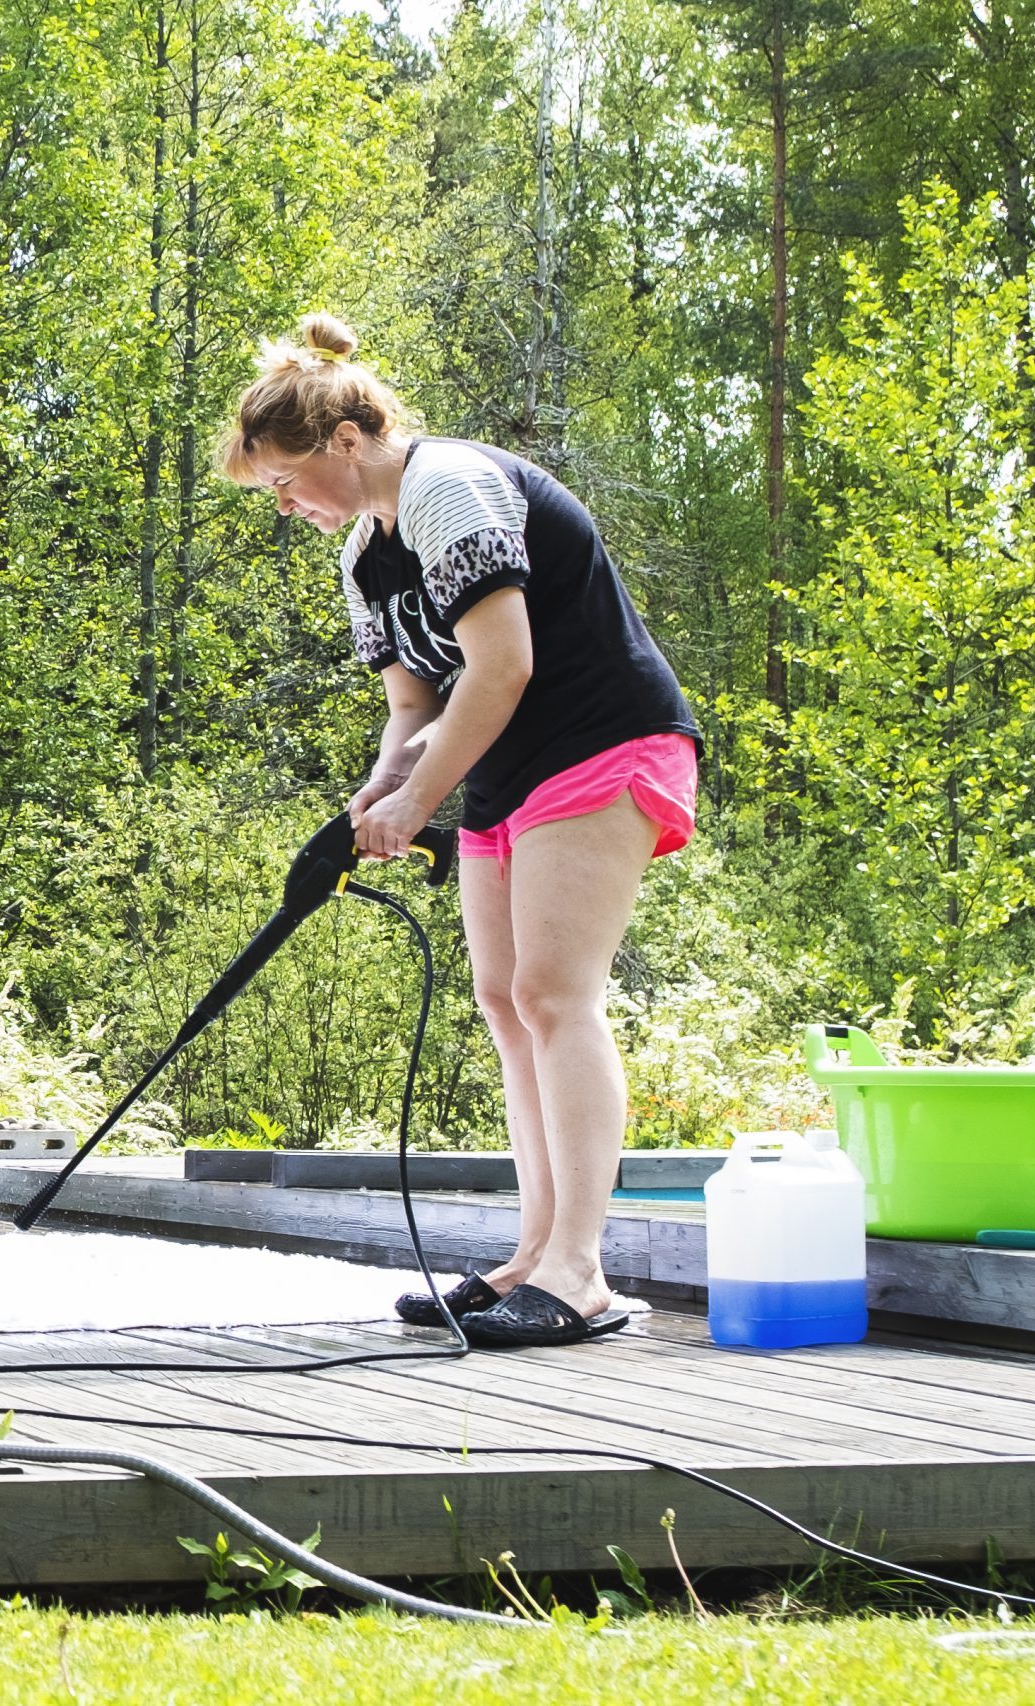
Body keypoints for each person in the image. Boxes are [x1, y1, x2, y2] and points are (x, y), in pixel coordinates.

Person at [219, 313, 701, 1349]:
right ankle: (534, 1253)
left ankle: (580, 1271)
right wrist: (381, 787)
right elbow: (413, 702)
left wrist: (416, 801)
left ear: (348, 439)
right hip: (505, 765)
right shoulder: (365, 550)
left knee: (555, 995)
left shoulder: (448, 485)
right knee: (504, 999)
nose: (286, 504)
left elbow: (503, 665)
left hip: (601, 739)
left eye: (287, 480)